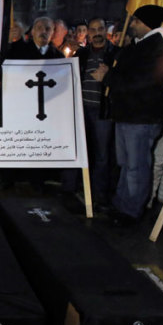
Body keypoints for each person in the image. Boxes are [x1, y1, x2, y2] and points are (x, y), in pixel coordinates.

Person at [99, 4, 163, 225]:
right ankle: (121, 203)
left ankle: (131, 210)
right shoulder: (138, 46)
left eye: (136, 21)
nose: (131, 25)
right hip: (127, 115)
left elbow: (143, 81)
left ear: (147, 24)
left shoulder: (158, 48)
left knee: (137, 167)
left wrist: (109, 78)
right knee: (126, 165)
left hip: (141, 118)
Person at [69, 16, 117, 209]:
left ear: (106, 31)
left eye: (100, 29)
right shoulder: (81, 54)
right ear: (88, 33)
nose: (97, 33)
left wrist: (108, 77)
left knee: (102, 155)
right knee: (82, 151)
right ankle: (77, 188)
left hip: (103, 112)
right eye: (93, 30)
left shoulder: (115, 54)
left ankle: (99, 194)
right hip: (82, 110)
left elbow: (123, 80)